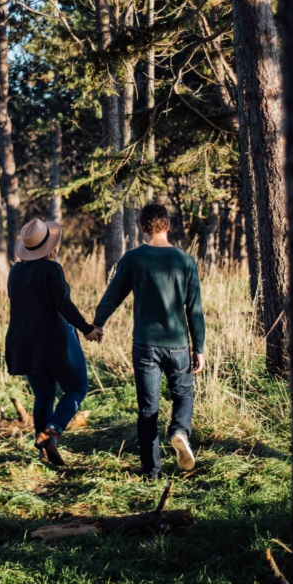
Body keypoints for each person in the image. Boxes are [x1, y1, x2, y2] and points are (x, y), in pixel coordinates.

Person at [93, 203, 205, 477]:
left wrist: (97, 324)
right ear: (168, 226)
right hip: (178, 344)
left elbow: (113, 295)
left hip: (145, 346)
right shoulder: (186, 261)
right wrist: (199, 348)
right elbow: (195, 309)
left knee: (147, 409)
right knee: (183, 394)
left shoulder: (133, 259)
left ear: (142, 228)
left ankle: (151, 471)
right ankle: (179, 430)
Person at [5, 218, 103, 466]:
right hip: (55, 341)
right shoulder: (51, 270)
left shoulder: (16, 272)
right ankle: (53, 431)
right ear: (50, 246)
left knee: (44, 396)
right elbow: (63, 305)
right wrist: (87, 329)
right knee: (77, 388)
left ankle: (44, 451)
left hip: (24, 344)